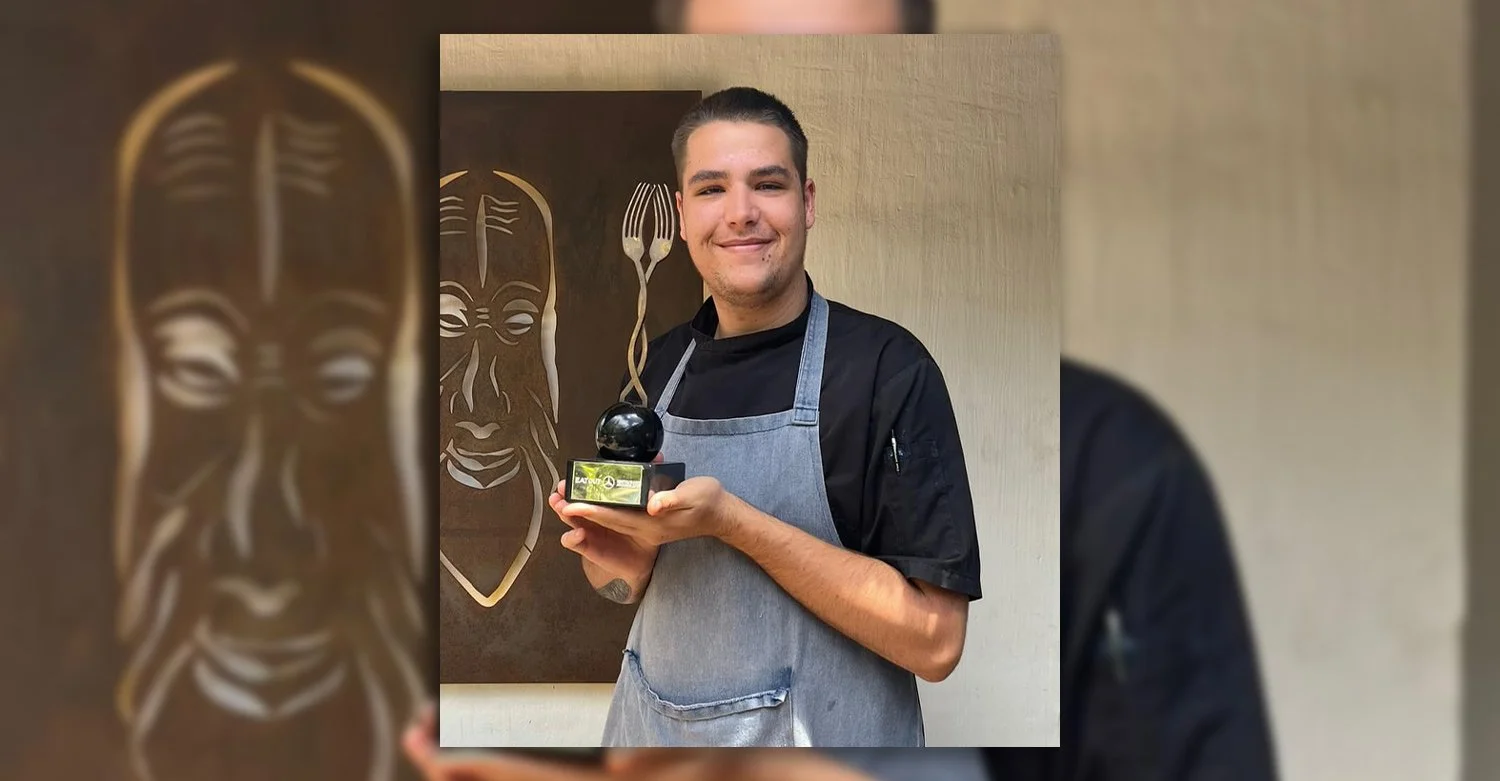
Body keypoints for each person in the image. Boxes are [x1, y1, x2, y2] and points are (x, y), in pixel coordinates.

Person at [555, 84, 980, 748]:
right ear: (681, 213)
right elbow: (619, 583)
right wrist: (621, 560)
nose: (740, 213)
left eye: (768, 184)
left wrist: (731, 522)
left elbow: (936, 641)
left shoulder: (885, 370)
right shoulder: (655, 368)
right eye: (711, 189)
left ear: (806, 202)